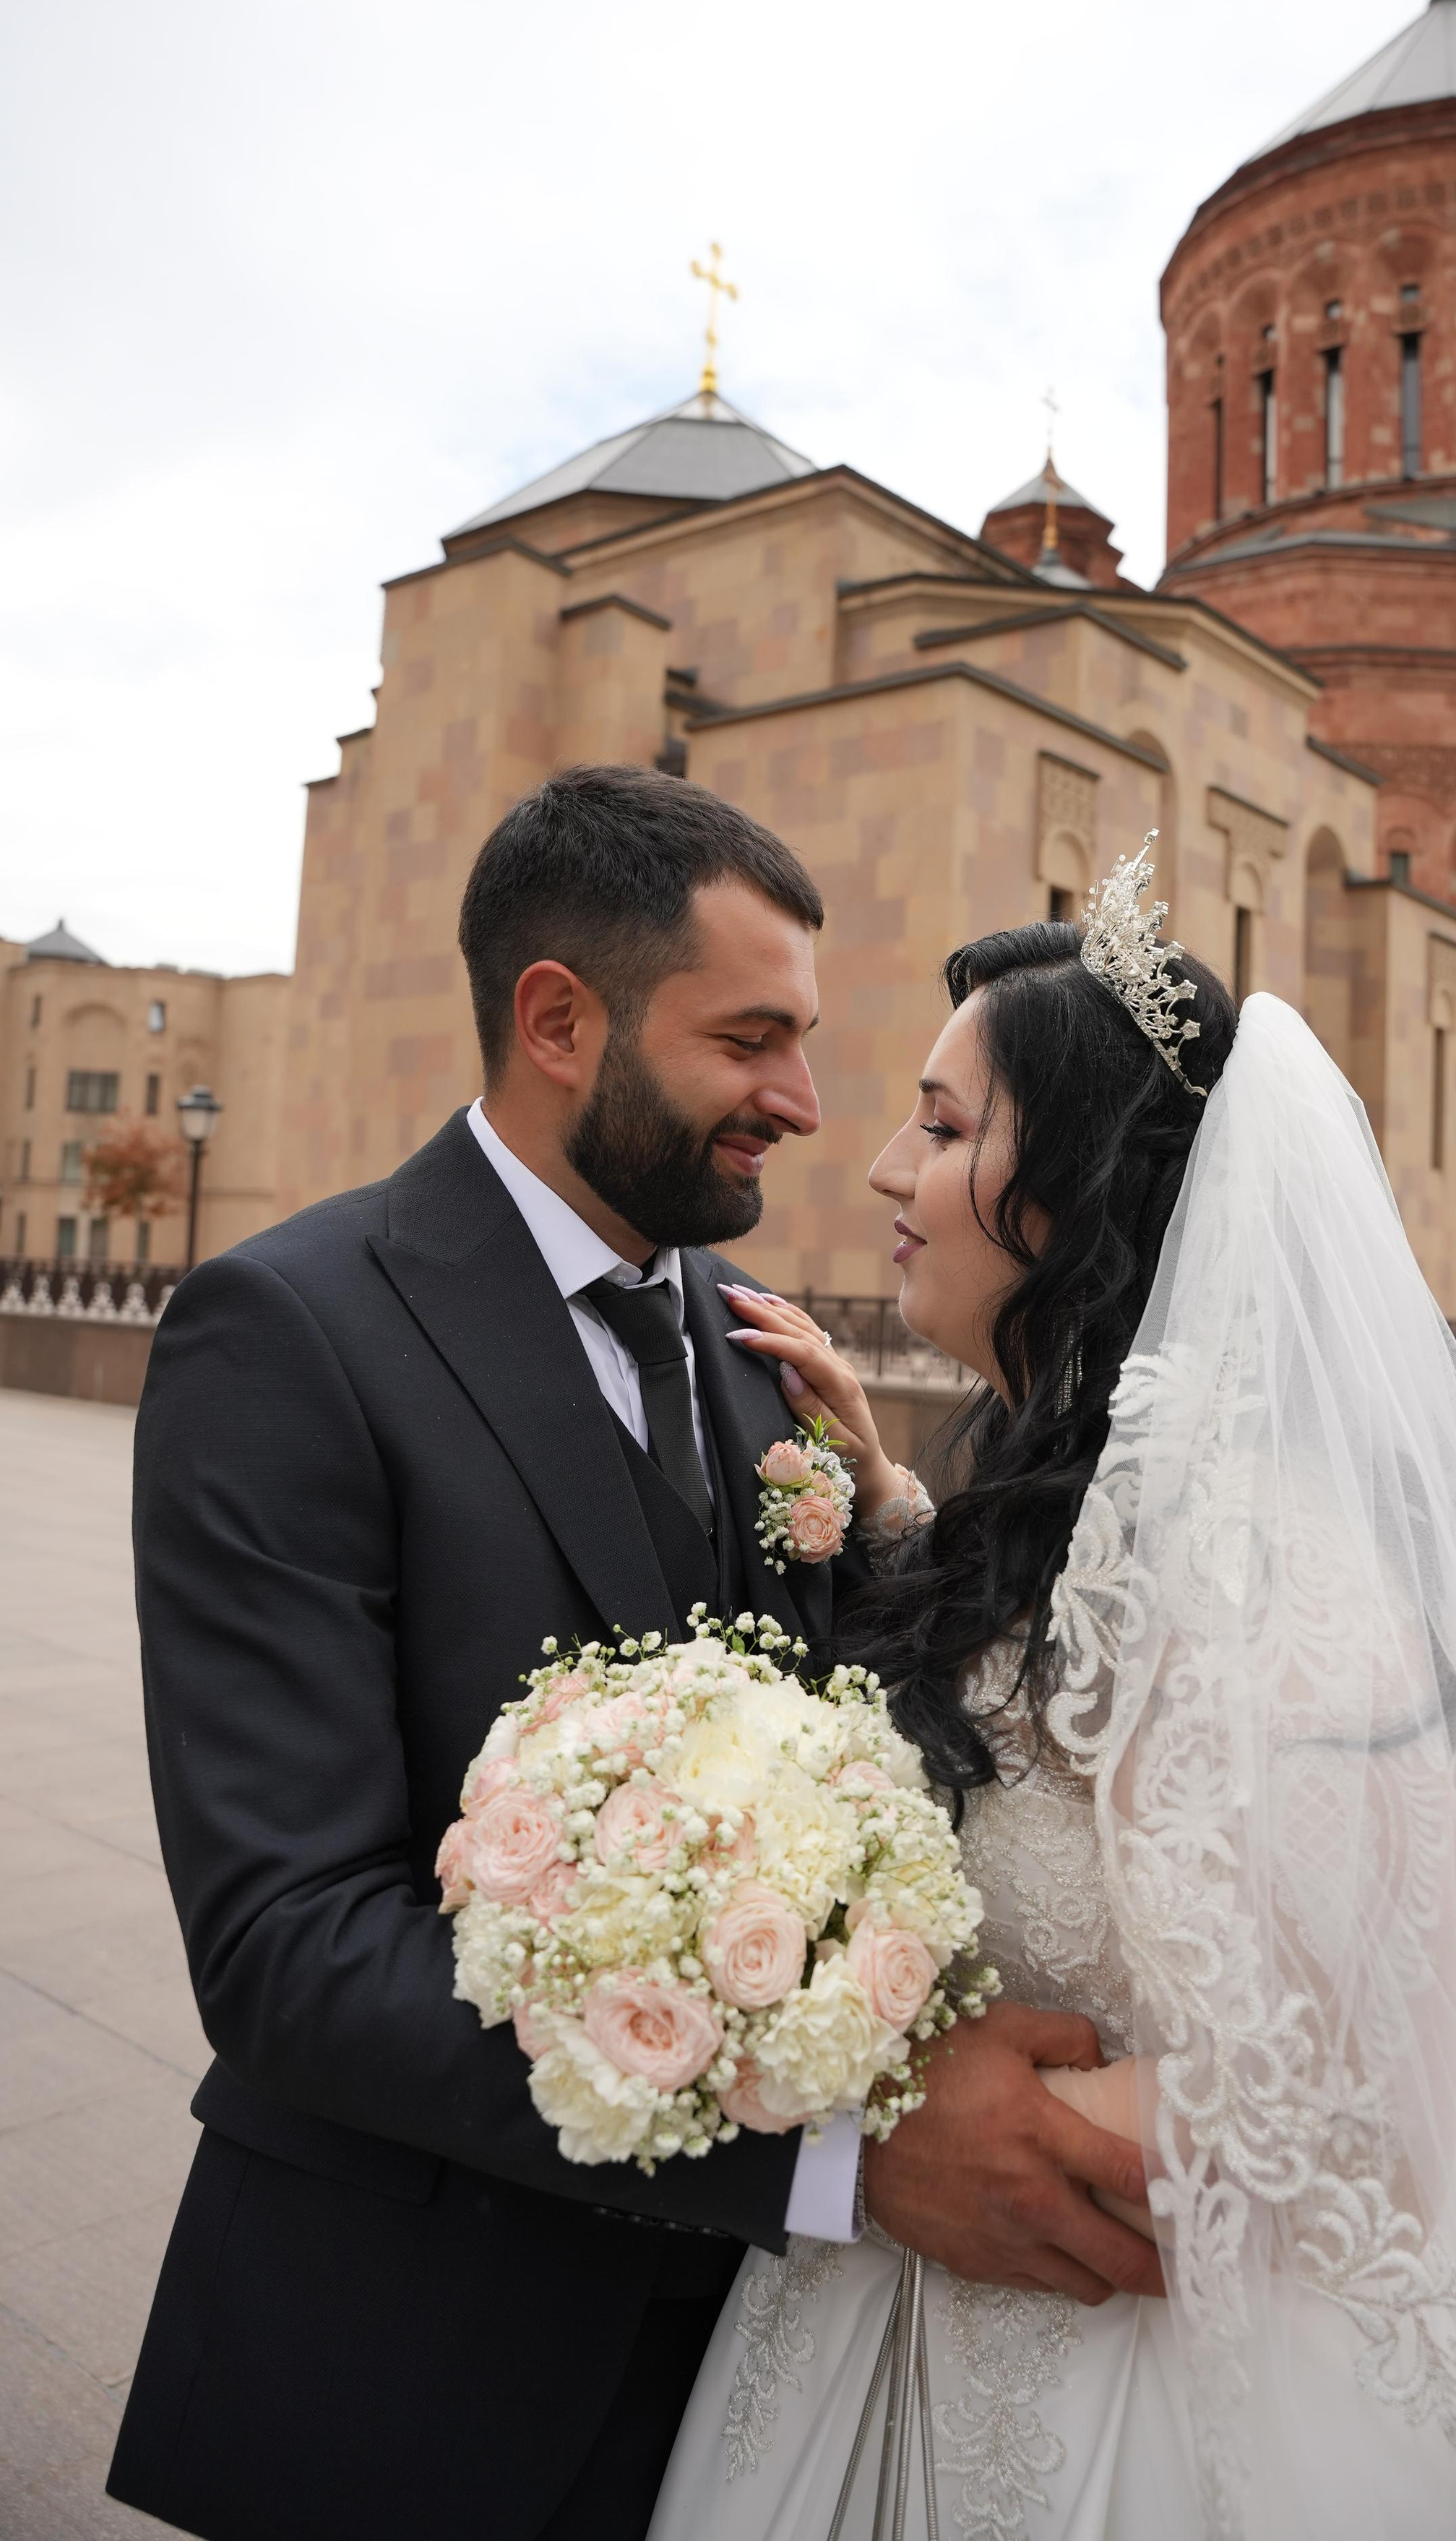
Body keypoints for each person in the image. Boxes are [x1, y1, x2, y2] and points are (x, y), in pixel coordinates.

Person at [108, 766, 1154, 2541]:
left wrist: (892, 1533)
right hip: (423, 2365)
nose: (803, 1104)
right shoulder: (288, 1332)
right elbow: (288, 1944)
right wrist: (838, 2152)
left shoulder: (757, 1354)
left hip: (744, 2386)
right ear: (557, 1022)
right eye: (750, 1042)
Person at [651, 840, 1456, 2540]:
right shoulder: (1101, 1512)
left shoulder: (1264, 1575)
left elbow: (1353, 2109)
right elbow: (1057, 1712)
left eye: (941, 1126)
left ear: (1075, 1189)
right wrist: (899, 1506)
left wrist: (881, 2117)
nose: (884, 1167)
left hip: (1111, 2385)